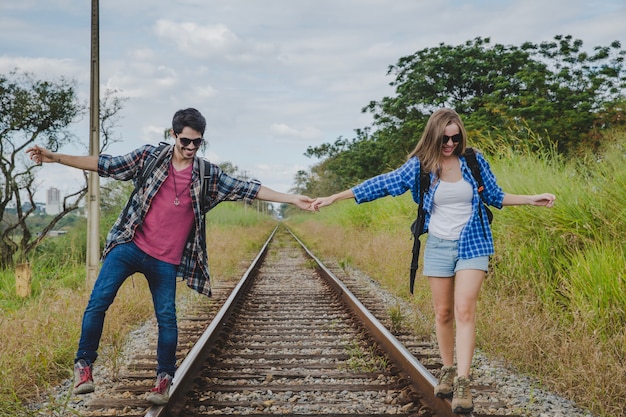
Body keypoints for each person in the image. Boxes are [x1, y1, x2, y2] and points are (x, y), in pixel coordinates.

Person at [26, 108, 314, 405]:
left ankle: (163, 379)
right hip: (129, 245)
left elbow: (247, 189)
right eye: (185, 141)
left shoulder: (206, 173)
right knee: (99, 302)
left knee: (167, 318)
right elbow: (106, 164)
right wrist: (55, 157)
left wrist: (292, 197)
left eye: (197, 143)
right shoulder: (150, 157)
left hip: (166, 259)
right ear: (173, 134)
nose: (190, 148)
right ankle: (84, 366)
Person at [312, 108, 555, 414]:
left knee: (465, 310)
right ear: (433, 136)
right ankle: (449, 369)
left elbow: (494, 195)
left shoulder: (473, 161)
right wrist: (335, 197)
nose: (450, 144)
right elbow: (382, 184)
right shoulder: (421, 166)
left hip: (474, 241)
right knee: (442, 313)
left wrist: (531, 198)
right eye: (444, 138)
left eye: (455, 137)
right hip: (438, 246)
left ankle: (464, 382)